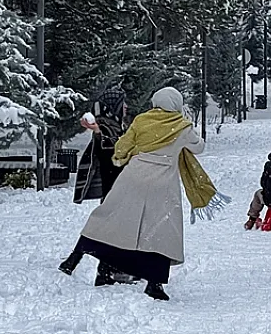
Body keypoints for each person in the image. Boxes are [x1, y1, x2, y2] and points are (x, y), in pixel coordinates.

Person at [58, 86, 226, 301]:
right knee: (160, 231)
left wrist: (124, 157)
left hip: (133, 177)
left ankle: (74, 258)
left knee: (109, 217)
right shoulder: (182, 126)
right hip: (162, 185)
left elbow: (122, 147)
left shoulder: (141, 120)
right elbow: (199, 147)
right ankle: (154, 284)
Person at [74, 85, 127, 203]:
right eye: (123, 104)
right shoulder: (105, 125)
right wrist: (98, 131)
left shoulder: (117, 126)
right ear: (115, 106)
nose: (125, 107)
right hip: (112, 182)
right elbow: (107, 147)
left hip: (117, 183)